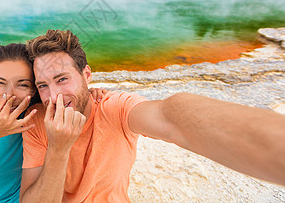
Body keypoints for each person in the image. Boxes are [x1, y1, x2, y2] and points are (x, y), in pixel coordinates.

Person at [20, 29, 285, 202]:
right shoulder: (38, 123)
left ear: (86, 75)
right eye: (43, 85)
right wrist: (58, 148)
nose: (53, 96)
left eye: (62, 79)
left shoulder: (114, 108)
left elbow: (172, 118)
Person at [0, 43, 106, 203]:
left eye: (22, 85)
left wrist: (85, 90)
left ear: (34, 88)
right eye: (0, 83)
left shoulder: (40, 117)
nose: (9, 94)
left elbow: (72, 99)